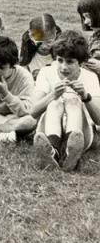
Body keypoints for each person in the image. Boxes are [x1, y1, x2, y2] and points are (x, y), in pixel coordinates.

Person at [31, 31, 100, 171]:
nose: (63, 67)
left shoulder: (90, 77)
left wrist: (85, 96)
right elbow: (33, 111)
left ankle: (71, 150)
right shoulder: (46, 73)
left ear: (80, 63)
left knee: (73, 101)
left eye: (70, 62)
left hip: (80, 132)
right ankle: (53, 151)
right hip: (50, 127)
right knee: (55, 103)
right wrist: (52, 95)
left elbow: (99, 119)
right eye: (60, 60)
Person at [19, 13, 60, 80]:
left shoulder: (62, 55)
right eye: (39, 42)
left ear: (56, 33)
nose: (44, 46)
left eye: (48, 41)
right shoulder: (21, 56)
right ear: (30, 35)